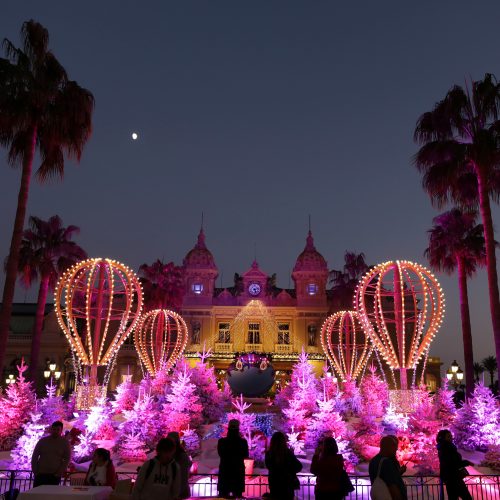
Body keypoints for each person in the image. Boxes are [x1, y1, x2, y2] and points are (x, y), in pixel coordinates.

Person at [31, 421, 71, 487]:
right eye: (54, 429)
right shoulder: (43, 441)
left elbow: (67, 458)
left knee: (51, 495)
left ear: (61, 430)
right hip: (41, 473)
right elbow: (35, 456)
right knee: (37, 494)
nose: (55, 431)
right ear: (51, 429)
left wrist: (60, 472)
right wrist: (35, 470)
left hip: (55, 474)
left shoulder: (64, 443)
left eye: (58, 429)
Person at [436, 430, 473, 500]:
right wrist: (466, 462)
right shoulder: (447, 447)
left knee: (453, 497)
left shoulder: (443, 447)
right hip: (454, 477)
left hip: (449, 477)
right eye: (448, 436)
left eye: (451, 436)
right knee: (466, 497)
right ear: (443, 438)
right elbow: (453, 462)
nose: (451, 438)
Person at [265, 431, 302, 500]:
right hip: (287, 484)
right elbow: (299, 466)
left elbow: (269, 467)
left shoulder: (269, 454)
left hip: (275, 484)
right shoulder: (288, 453)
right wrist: (290, 470)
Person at [217, 419, 249, 498]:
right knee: (238, 495)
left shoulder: (222, 442)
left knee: (223, 496)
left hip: (225, 471)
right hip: (238, 471)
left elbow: (221, 454)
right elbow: (245, 455)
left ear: (228, 429)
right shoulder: (243, 442)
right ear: (238, 429)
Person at [369, 435, 407, 500]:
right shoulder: (387, 462)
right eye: (394, 446)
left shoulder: (374, 460)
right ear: (387, 447)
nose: (396, 449)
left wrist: (399, 472)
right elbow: (392, 485)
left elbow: (386, 477)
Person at [167, 431, 192, 499]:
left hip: (176, 491)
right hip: (170, 490)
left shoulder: (181, 456)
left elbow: (183, 475)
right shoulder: (179, 455)